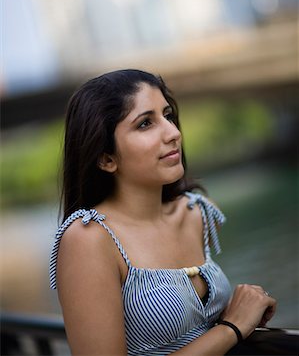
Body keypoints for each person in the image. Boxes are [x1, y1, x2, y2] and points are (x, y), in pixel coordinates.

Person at [49, 69, 276, 356]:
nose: (173, 133)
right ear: (106, 158)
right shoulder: (89, 239)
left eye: (167, 116)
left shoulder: (195, 212)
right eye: (145, 124)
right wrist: (231, 327)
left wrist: (248, 308)